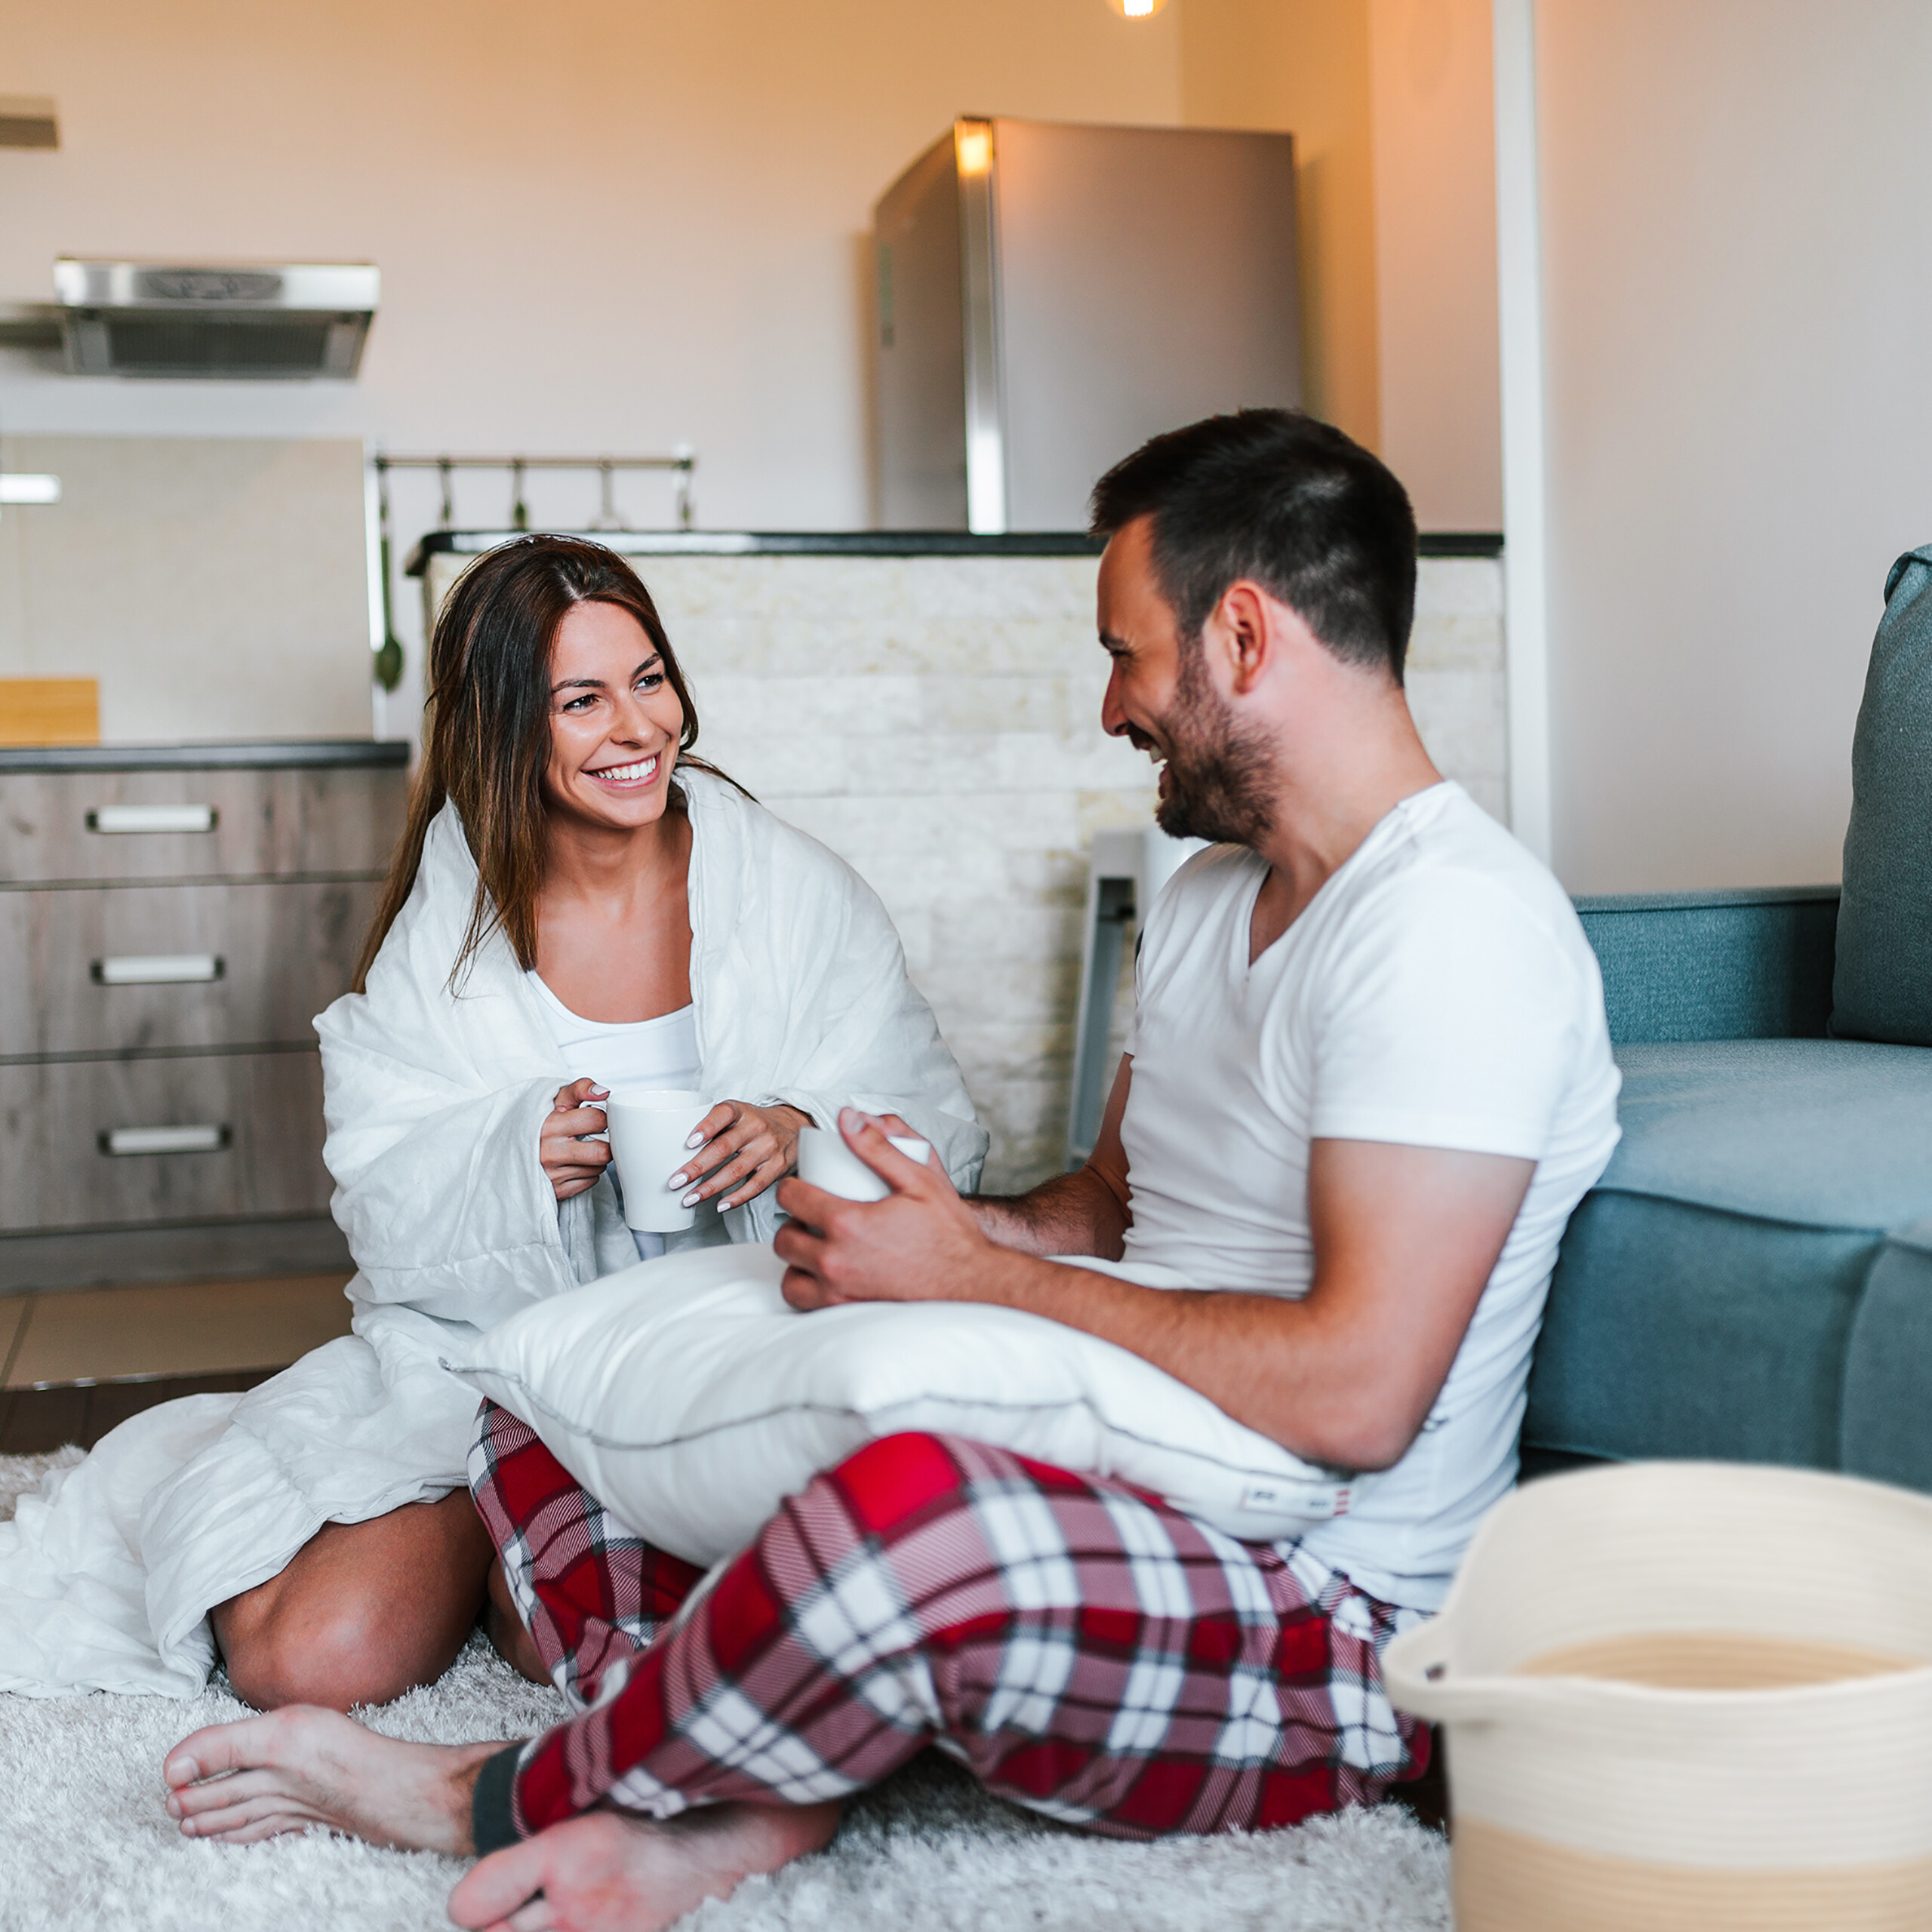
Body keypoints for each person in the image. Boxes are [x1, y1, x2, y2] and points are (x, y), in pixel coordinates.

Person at [158, 411, 1621, 1932]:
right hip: (1135, 1468)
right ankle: (756, 1758)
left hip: (1324, 1613)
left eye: (1124, 655)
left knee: (902, 1504)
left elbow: (1358, 1393)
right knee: (548, 1397)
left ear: (1241, 636)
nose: (1109, 705)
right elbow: (1105, 1209)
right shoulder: (1203, 904)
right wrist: (922, 1235)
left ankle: (494, 1788)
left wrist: (981, 1278)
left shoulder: (1448, 933)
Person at [0, 535, 986, 1708]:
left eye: (649, 680)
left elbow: (936, 1123)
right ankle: (443, 1503)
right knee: (304, 1659)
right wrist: (516, 1159)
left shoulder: (793, 893)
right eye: (582, 700)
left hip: (740, 1337)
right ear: (508, 728)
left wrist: (795, 1127)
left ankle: (516, 1547)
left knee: (586, 1617)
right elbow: (381, 1191)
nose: (637, 727)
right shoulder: (450, 936)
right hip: (495, 1354)